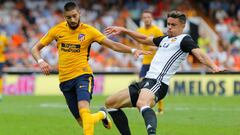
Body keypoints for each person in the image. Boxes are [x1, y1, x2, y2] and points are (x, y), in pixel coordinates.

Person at [31, 2, 150, 135]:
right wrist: (40, 61)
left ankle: (99, 115)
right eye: (68, 17)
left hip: (83, 77)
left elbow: (112, 45)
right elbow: (35, 49)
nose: (72, 19)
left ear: (79, 13)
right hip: (64, 81)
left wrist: (132, 50)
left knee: (85, 113)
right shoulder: (57, 30)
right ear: (64, 17)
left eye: (74, 16)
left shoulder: (89, 31)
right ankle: (101, 115)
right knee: (83, 122)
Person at [104, 10, 224, 135]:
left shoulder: (184, 40)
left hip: (158, 82)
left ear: (183, 26)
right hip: (146, 80)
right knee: (110, 103)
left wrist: (213, 66)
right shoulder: (165, 39)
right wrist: (124, 30)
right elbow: (144, 39)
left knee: (142, 103)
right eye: (168, 24)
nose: (170, 28)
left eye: (173, 25)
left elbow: (199, 54)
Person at [137, 10, 164, 114]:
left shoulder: (157, 30)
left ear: (152, 18)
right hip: (145, 63)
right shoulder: (139, 30)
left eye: (148, 17)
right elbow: (139, 44)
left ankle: (160, 108)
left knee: (157, 86)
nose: (147, 19)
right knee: (141, 84)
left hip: (155, 63)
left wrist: (154, 49)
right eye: (145, 17)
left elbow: (163, 46)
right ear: (142, 19)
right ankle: (144, 105)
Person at [0, 31, 8, 101]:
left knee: (0, 77)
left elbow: (7, 47)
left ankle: (0, 94)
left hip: (1, 60)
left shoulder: (3, 38)